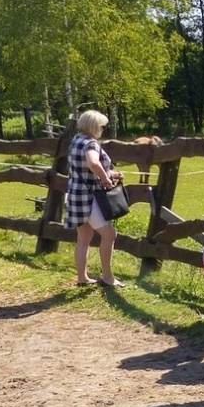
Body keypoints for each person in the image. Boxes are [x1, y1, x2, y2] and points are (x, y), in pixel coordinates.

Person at [65, 109, 125, 288]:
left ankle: (82, 277)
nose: (102, 129)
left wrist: (110, 174)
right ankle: (107, 276)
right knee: (109, 234)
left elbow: (85, 167)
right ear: (94, 126)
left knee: (84, 237)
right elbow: (92, 163)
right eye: (101, 126)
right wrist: (106, 179)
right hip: (89, 197)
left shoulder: (76, 140)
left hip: (75, 194)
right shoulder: (91, 143)